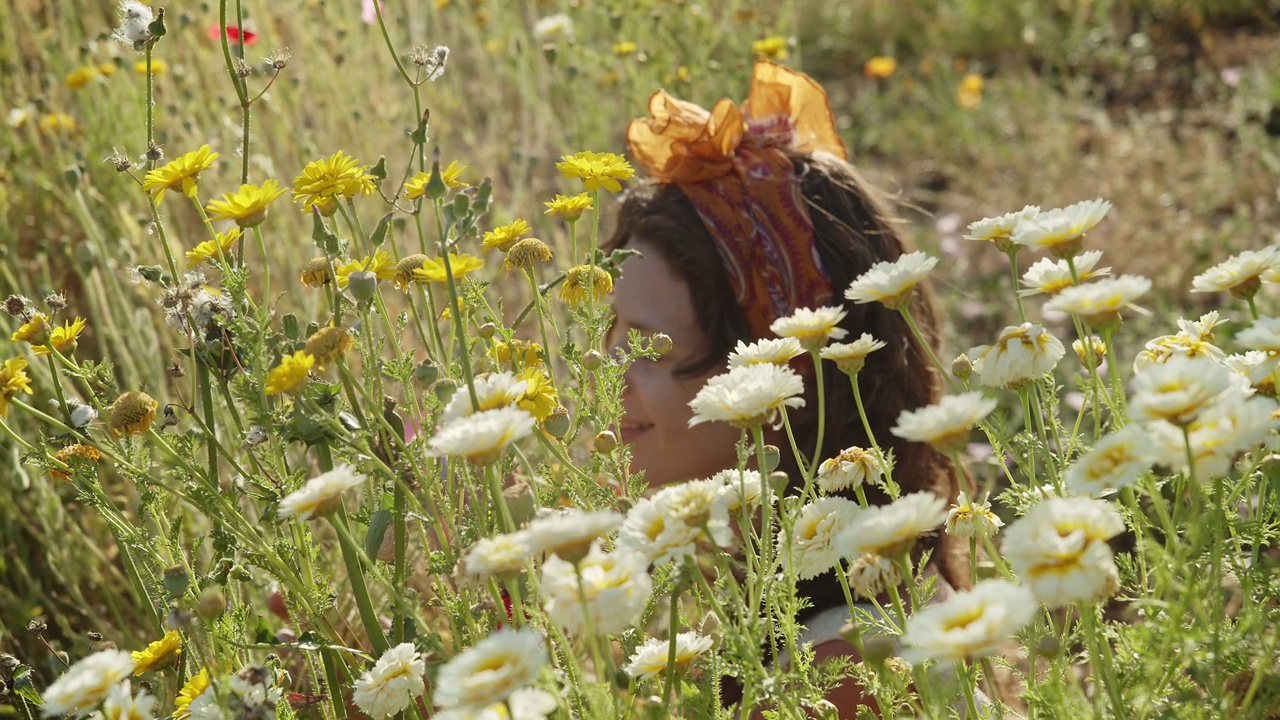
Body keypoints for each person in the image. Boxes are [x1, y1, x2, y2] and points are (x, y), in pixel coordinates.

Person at [605, 61, 969, 714]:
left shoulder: (848, 666)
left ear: (778, 381)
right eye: (612, 329)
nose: (604, 370)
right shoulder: (756, 570)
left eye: (649, 348)